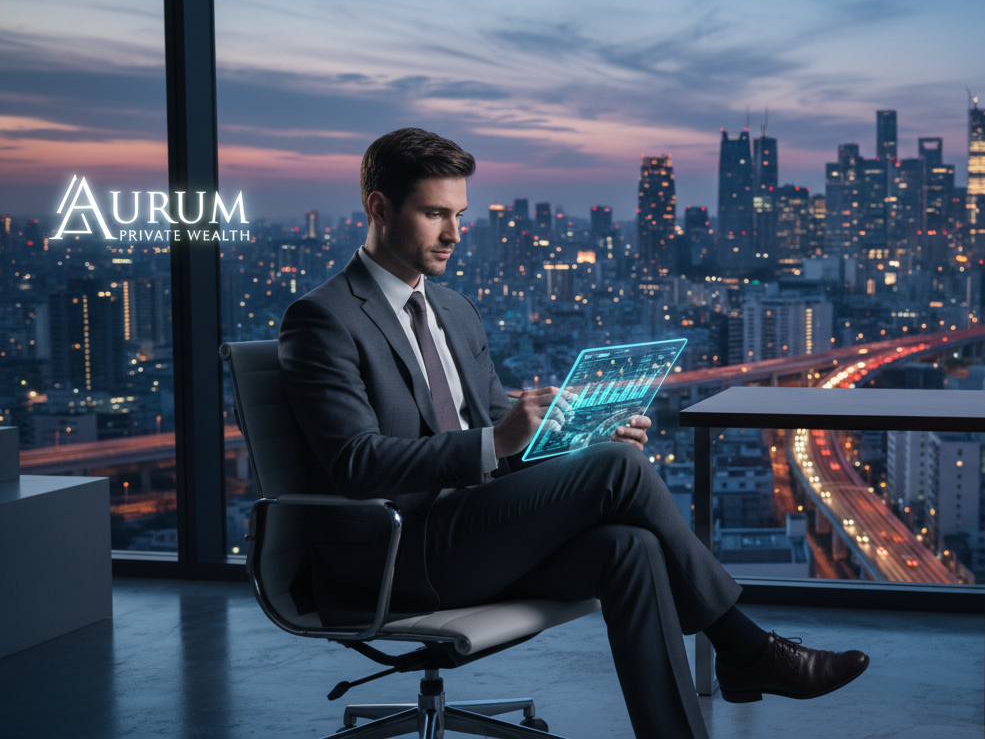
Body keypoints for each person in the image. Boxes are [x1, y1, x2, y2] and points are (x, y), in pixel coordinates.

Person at [278, 127, 868, 739]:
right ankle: (746, 648)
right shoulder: (323, 318)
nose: (454, 234)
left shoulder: (454, 310)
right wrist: (502, 442)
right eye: (434, 214)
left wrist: (581, 436)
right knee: (620, 468)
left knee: (630, 548)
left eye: (459, 215)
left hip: (473, 533)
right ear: (379, 208)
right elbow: (356, 464)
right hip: (393, 555)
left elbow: (506, 435)